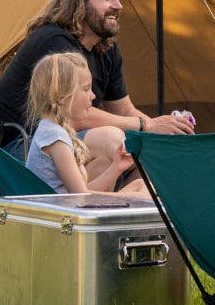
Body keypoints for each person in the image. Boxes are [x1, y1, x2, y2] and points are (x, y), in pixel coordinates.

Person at [0, 0, 193, 160]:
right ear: (80, 3)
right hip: (11, 151)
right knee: (111, 138)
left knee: (153, 151)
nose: (118, 6)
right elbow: (74, 117)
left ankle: (129, 198)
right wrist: (146, 125)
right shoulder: (54, 42)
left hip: (57, 144)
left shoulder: (106, 49)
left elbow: (124, 110)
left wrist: (161, 130)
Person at [24, 52, 147, 197]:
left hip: (65, 208)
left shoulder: (52, 130)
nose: (93, 96)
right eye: (86, 89)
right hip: (58, 215)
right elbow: (80, 196)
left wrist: (116, 168)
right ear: (61, 96)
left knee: (141, 185)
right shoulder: (55, 136)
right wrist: (125, 197)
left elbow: (79, 192)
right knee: (144, 194)